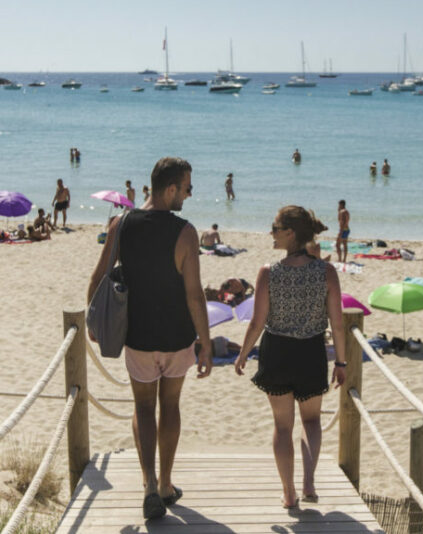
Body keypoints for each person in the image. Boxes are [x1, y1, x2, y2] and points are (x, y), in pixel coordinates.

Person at [87, 156, 212, 520]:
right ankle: (166, 485)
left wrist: (96, 324)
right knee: (170, 406)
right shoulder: (186, 232)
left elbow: (97, 280)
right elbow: (194, 294)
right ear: (170, 188)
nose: (189, 195)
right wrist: (204, 343)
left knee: (143, 408)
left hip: (138, 336)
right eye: (187, 188)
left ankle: (147, 484)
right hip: (176, 337)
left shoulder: (120, 225)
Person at [234, 205, 347, 508]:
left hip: (277, 351)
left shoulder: (268, 272)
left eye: (275, 227)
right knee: (311, 420)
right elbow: (337, 322)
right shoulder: (326, 271)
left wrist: (243, 354)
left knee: (282, 425)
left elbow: (257, 322)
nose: (270, 232)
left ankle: (288, 493)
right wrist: (341, 362)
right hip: (311, 350)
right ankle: (309, 483)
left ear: (290, 233)